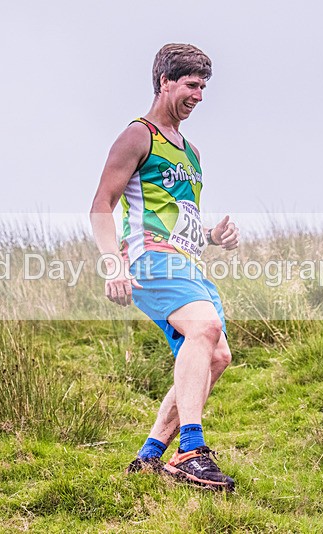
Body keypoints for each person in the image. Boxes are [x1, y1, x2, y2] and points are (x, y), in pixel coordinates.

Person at [89, 43, 239, 491]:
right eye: (192, 85)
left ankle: (151, 455)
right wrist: (114, 265)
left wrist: (212, 236)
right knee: (205, 328)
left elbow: (177, 217)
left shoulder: (191, 153)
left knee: (217, 355)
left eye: (204, 87)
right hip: (150, 260)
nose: (199, 96)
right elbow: (101, 205)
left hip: (188, 262)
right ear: (165, 83)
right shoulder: (139, 136)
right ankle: (191, 451)